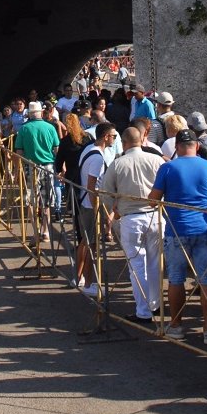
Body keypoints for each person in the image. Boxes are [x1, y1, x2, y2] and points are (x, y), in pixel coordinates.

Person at [148, 129, 207, 344]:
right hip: (205, 228)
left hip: (177, 230)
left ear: (177, 147)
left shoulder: (168, 168)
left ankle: (176, 325)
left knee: (176, 278)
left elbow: (153, 199)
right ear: (197, 146)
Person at [104, 126, 164, 323]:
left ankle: (144, 310)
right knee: (155, 263)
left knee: (136, 266)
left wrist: (114, 211)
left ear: (124, 142)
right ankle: (155, 305)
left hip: (131, 217)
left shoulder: (118, 163)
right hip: (155, 216)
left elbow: (105, 193)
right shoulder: (156, 160)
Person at [75, 122, 119, 297]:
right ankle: (89, 283)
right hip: (90, 205)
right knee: (91, 245)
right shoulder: (98, 158)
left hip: (85, 202)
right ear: (106, 136)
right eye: (113, 136)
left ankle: (79, 278)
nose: (115, 139)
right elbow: (92, 186)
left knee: (85, 243)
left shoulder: (88, 150)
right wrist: (99, 211)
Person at [13, 101, 59, 242]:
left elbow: (19, 151)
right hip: (48, 166)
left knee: (31, 200)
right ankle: (45, 231)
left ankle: (35, 232)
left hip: (30, 166)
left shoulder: (24, 129)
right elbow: (56, 149)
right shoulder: (50, 127)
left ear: (30, 114)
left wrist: (16, 170)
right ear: (40, 112)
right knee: (46, 201)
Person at [54, 113, 93, 222]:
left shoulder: (65, 141)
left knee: (74, 203)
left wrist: (59, 172)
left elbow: (59, 160)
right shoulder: (87, 138)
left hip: (71, 174)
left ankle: (77, 225)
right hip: (86, 171)